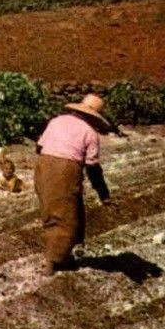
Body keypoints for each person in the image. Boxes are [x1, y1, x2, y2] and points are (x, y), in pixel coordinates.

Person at [34, 93, 114, 272]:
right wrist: (104, 194)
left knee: (52, 210)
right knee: (66, 218)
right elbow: (93, 168)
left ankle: (64, 255)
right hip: (65, 170)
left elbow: (39, 147)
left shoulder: (56, 121)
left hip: (43, 165)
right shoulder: (90, 133)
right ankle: (52, 261)